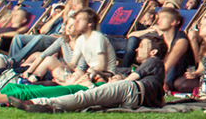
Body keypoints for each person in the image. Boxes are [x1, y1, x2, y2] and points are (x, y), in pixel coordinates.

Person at [23, 35, 167, 112]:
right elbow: (161, 98)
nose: (136, 50)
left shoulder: (154, 60)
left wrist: (118, 80)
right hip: (134, 98)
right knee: (90, 99)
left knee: (85, 97)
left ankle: (38, 103)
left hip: (132, 90)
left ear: (153, 52)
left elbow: (130, 80)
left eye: (141, 47)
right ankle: (44, 104)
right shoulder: (155, 70)